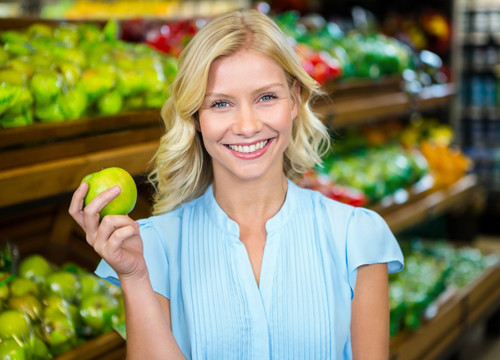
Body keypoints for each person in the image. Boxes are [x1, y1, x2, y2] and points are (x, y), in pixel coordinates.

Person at [69, 8, 404, 360]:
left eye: (266, 97)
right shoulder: (153, 247)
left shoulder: (356, 237)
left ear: (294, 99)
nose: (246, 126)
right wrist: (135, 276)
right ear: (195, 116)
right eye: (221, 103)